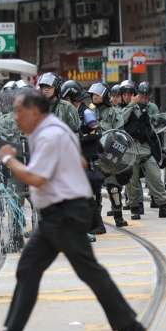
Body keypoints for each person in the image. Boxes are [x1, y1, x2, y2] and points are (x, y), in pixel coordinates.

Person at [0, 89, 145, 331]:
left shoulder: (49, 135)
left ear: (35, 111)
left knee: (88, 271)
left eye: (19, 112)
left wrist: (8, 159)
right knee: (29, 268)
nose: (16, 117)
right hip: (58, 213)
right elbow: (79, 161)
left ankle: (128, 324)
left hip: (64, 214)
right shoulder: (55, 129)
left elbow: (36, 178)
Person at [120, 80, 166, 220]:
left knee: (155, 177)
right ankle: (135, 207)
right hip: (131, 149)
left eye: (147, 96)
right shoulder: (127, 107)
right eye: (142, 95)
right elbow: (120, 120)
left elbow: (155, 126)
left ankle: (163, 206)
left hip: (146, 149)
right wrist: (133, 104)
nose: (144, 98)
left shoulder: (149, 108)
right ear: (137, 95)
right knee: (132, 182)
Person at [61, 80, 105, 241]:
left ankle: (97, 224)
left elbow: (96, 132)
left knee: (88, 193)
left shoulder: (86, 112)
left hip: (86, 156)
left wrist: (80, 138)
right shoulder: (66, 111)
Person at [89, 82, 130, 228]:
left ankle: (118, 215)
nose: (94, 96)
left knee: (114, 187)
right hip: (95, 154)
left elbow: (120, 133)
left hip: (111, 154)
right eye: (93, 94)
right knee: (94, 189)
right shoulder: (90, 113)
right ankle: (96, 220)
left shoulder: (114, 113)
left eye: (97, 94)